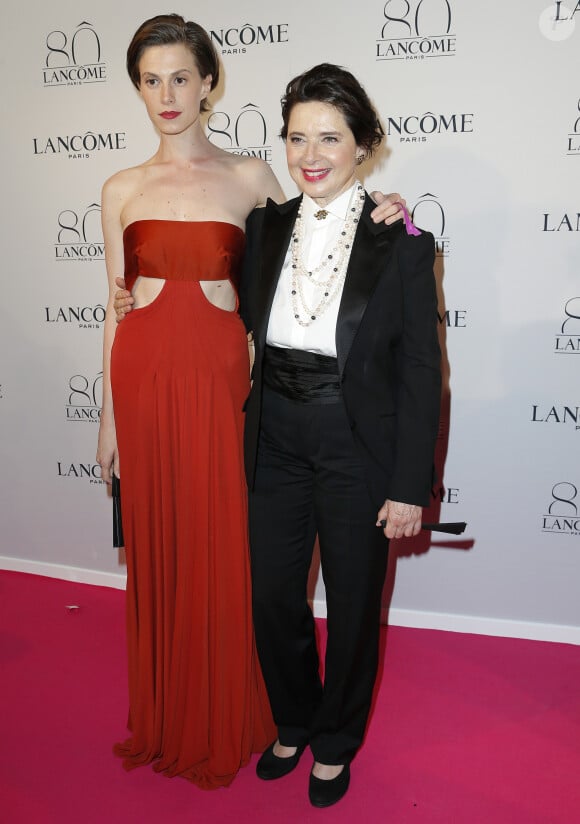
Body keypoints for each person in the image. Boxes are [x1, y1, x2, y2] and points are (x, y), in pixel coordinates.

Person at [97, 15, 405, 790]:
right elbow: (114, 305)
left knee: (240, 558)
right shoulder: (119, 188)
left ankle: (248, 707)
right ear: (138, 89)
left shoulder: (253, 180)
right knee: (163, 547)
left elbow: (320, 237)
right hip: (142, 386)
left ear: (209, 83)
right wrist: (107, 418)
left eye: (180, 77)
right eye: (149, 80)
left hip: (227, 391)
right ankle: (172, 711)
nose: (166, 95)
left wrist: (385, 213)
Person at [241, 64, 442, 807]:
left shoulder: (403, 241)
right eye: (297, 137)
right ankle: (292, 719)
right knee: (271, 597)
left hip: (356, 441)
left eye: (330, 137)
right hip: (275, 435)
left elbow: (423, 370)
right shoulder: (264, 228)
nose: (310, 153)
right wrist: (134, 296)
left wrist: (407, 485)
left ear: (365, 145)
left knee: (355, 603)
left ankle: (335, 739)